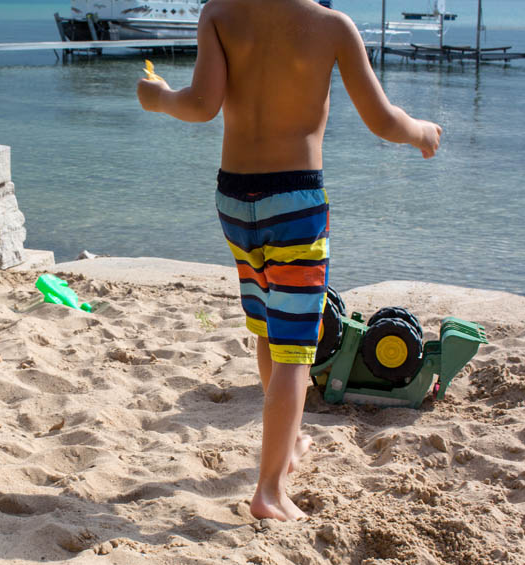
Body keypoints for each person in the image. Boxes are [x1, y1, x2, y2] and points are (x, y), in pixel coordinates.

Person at [137, 0, 441, 521]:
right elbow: (383, 119)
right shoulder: (332, 27)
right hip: (295, 205)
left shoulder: (218, 13)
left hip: (234, 200)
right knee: (296, 347)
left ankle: (291, 439)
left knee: (266, 325)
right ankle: (271, 490)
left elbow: (203, 104)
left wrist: (161, 98)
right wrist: (420, 132)